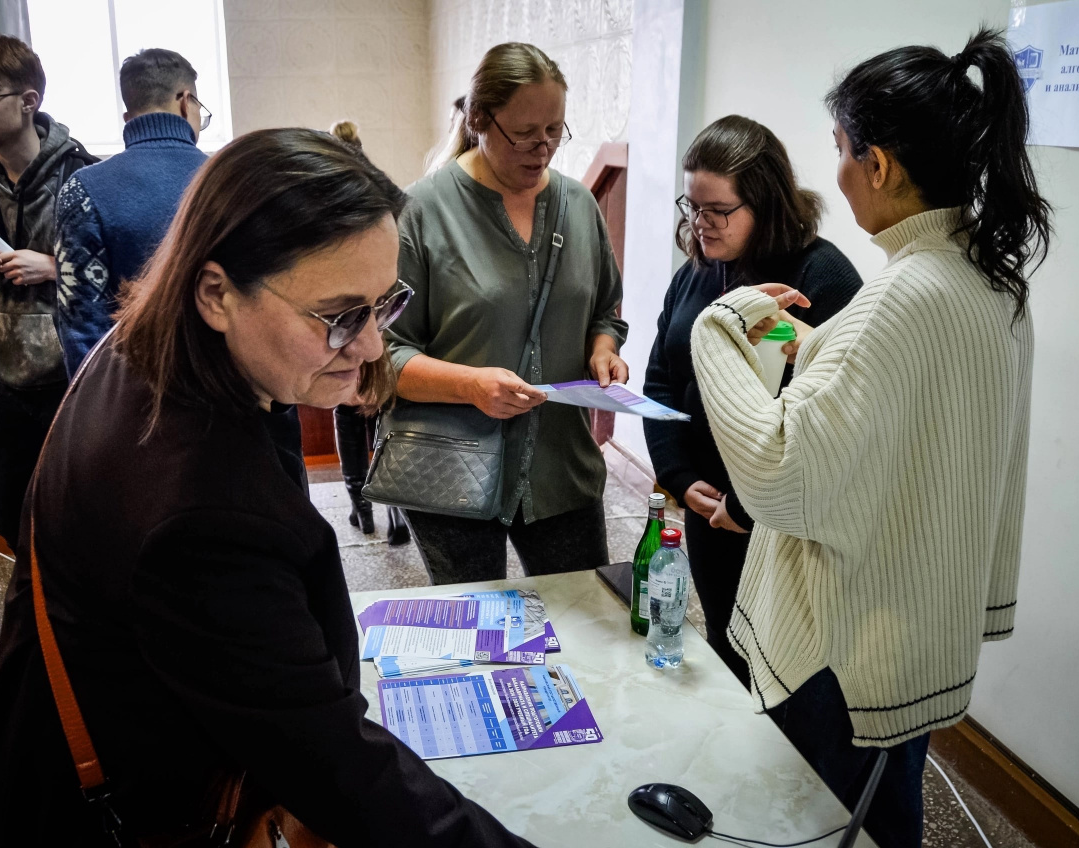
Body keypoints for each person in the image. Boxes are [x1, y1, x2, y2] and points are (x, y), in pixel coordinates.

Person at [0, 128, 536, 848]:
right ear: (217, 293)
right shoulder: (199, 515)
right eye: (340, 316)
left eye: (384, 304)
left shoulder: (143, 348)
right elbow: (339, 770)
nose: (372, 345)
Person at [689, 29, 1049, 848]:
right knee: (885, 813)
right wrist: (812, 350)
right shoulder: (992, 282)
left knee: (820, 819)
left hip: (848, 644)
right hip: (919, 625)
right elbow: (942, 436)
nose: (840, 172)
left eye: (841, 150)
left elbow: (778, 474)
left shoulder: (900, 299)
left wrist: (719, 329)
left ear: (878, 164)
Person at [386, 42, 628, 585]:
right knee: (479, 626)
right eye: (524, 133)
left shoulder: (579, 205)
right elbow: (384, 356)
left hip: (561, 468)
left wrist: (603, 349)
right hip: (452, 471)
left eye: (555, 131)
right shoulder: (421, 212)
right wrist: (470, 386)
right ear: (478, 119)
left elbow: (605, 313)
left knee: (585, 615)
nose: (543, 149)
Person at [643, 116, 862, 682]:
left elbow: (830, 422)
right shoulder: (698, 271)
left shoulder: (824, 276)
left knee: (783, 668)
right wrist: (677, 473)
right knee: (725, 643)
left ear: (765, 203)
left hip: (782, 524)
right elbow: (662, 380)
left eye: (718, 210)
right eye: (692, 206)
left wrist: (746, 506)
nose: (700, 224)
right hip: (709, 506)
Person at [0, 31, 97, 553]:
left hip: (73, 376)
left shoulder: (83, 176)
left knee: (81, 512)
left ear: (29, 100)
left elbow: (120, 277)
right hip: (9, 376)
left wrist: (55, 267)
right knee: (11, 513)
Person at [55, 47, 208, 376]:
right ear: (186, 102)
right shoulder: (231, 179)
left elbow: (81, 329)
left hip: (133, 390)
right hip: (225, 391)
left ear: (128, 118)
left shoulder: (83, 190)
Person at [328, 119, 409, 545]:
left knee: (346, 410)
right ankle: (395, 511)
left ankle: (361, 510)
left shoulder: (327, 194)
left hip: (342, 324)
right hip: (385, 320)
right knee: (383, 414)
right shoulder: (383, 194)